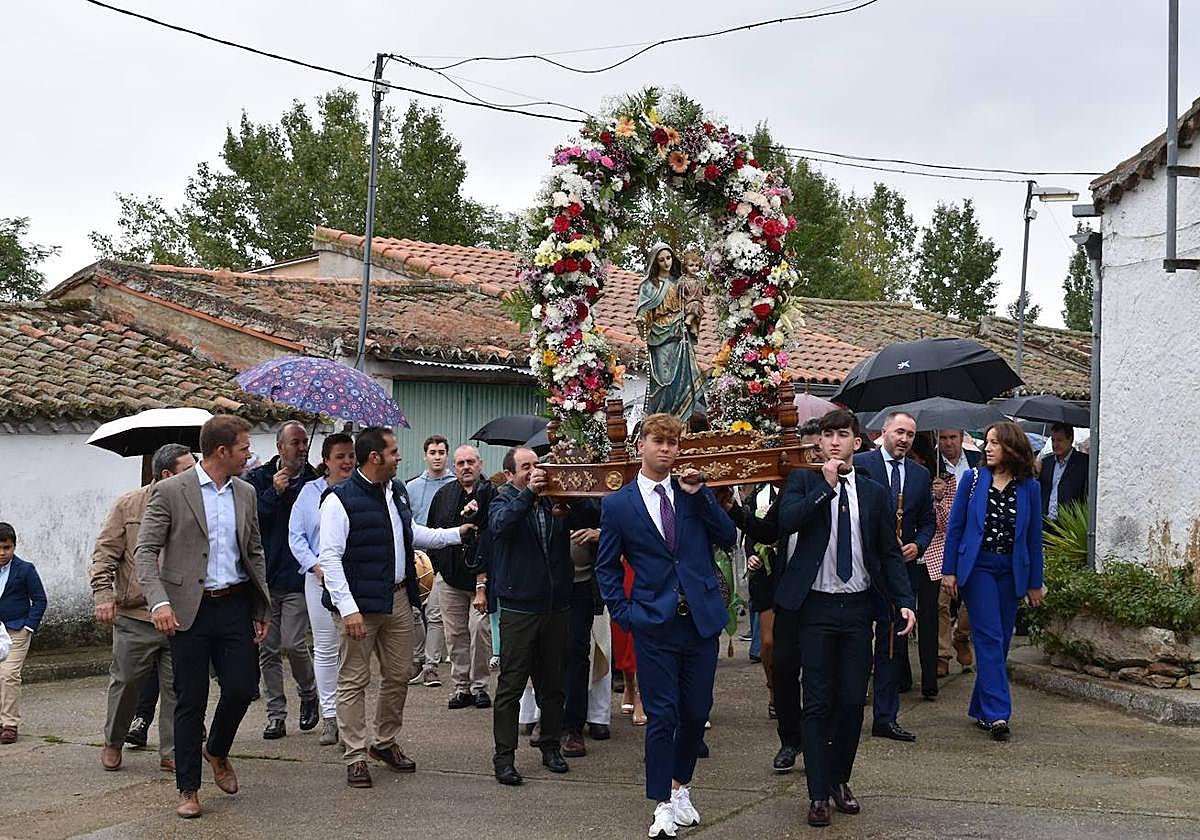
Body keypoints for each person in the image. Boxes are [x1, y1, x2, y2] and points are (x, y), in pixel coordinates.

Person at [772, 409, 916, 827]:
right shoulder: (803, 480)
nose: (835, 442)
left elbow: (888, 551)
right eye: (828, 435)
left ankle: (839, 779)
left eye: (843, 435)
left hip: (857, 608)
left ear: (858, 442)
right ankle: (817, 793)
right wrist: (826, 488)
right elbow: (788, 521)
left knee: (853, 700)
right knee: (816, 702)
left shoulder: (872, 492)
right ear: (819, 443)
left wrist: (904, 599)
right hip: (814, 607)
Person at [595, 414, 736, 838]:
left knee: (696, 712)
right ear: (641, 444)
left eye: (673, 443)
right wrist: (625, 614)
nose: (667, 449)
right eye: (659, 441)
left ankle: (681, 787)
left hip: (700, 622)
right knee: (662, 716)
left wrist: (705, 496)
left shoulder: (692, 493)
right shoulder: (618, 504)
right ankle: (661, 802)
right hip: (654, 624)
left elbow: (728, 536)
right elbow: (606, 568)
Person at [134, 415, 271, 819]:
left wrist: (262, 606)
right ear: (221, 451)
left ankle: (217, 749)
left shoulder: (245, 492)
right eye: (244, 448)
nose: (249, 454)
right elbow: (145, 552)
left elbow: (255, 550)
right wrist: (158, 603)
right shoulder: (171, 491)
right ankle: (188, 788)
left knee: (243, 687)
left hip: (233, 605)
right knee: (189, 700)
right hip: (186, 610)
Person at [317, 426, 468, 789]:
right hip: (359, 607)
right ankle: (355, 754)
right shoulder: (339, 499)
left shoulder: (396, 491)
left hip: (398, 598)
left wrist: (456, 534)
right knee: (354, 680)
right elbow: (330, 558)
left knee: (398, 674)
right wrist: (348, 608)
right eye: (394, 451)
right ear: (375, 458)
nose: (400, 457)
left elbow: (410, 532)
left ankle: (384, 743)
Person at [488, 447, 598, 786]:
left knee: (554, 685)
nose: (534, 472)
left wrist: (572, 497)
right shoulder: (501, 499)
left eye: (537, 466)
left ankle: (551, 746)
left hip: (556, 605)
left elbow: (593, 517)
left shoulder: (554, 499)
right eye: (525, 467)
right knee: (511, 686)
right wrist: (527, 495)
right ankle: (504, 758)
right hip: (520, 607)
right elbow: (500, 527)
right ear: (510, 474)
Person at [90, 443, 195, 773]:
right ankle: (113, 740)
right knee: (126, 683)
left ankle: (172, 750)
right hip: (136, 613)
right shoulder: (129, 505)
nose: (196, 476)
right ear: (166, 475)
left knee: (178, 686)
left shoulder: (196, 506)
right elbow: (105, 554)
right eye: (187, 471)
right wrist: (103, 595)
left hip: (180, 612)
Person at [942, 421, 1045, 741]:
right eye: (986, 442)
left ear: (1012, 448)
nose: (987, 448)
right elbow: (955, 528)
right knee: (987, 638)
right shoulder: (972, 480)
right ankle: (999, 713)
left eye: (994, 443)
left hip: (1012, 571)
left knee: (999, 642)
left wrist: (1035, 582)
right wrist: (949, 570)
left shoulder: (1030, 487)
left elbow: (1032, 539)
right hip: (979, 569)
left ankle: (981, 708)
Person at [853, 411, 933, 740]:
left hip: (899, 574)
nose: (904, 439)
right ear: (883, 431)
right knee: (857, 646)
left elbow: (928, 520)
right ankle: (849, 712)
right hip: (862, 569)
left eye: (910, 435)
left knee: (892, 647)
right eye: (899, 432)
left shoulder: (919, 474)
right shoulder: (861, 464)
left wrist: (918, 544)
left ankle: (886, 718)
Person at [245, 422, 319, 740]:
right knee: (268, 649)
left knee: (293, 643)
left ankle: (309, 692)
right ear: (279, 447)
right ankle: (276, 715)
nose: (301, 448)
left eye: (304, 442)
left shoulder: (315, 481)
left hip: (298, 578)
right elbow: (251, 520)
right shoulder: (258, 480)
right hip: (265, 579)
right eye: (294, 443)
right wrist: (273, 493)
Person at [287, 432, 356, 747]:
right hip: (318, 581)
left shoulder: (362, 491)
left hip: (353, 580)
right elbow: (296, 536)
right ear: (326, 461)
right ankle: (330, 716)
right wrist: (315, 566)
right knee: (326, 648)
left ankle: (351, 717)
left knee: (353, 651)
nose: (346, 462)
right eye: (339, 456)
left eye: (351, 456)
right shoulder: (309, 493)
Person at [426, 444, 495, 710]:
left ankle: (480, 687)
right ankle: (461, 687)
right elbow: (433, 533)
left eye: (470, 462)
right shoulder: (443, 495)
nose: (466, 467)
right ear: (454, 468)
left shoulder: (491, 494)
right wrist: (436, 568)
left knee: (479, 632)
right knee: (454, 635)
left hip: (482, 578)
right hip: (450, 577)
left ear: (480, 464)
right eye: (460, 463)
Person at [635, 243, 706, 422]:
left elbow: (694, 298)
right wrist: (642, 319)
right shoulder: (648, 285)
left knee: (682, 378)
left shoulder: (679, 281)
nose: (666, 263)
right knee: (663, 381)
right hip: (659, 336)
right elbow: (644, 309)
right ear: (655, 263)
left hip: (678, 332)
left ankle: (682, 420)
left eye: (668, 258)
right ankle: (660, 418)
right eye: (661, 260)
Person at [406, 434, 456, 688]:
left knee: (435, 613)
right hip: (417, 558)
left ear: (447, 455)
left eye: (441, 452)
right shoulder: (411, 487)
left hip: (445, 555)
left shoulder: (456, 484)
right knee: (414, 612)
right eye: (432, 452)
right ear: (425, 455)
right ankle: (416, 659)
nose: (437, 457)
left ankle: (430, 666)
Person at [0, 522, 48, 746]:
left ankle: (9, 724)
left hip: (16, 629)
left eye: (6, 548)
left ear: (14, 547)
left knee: (9, 674)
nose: (2, 553)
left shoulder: (25, 569)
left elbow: (40, 599)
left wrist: (29, 626)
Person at [1040, 423, 1089, 523]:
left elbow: (1086, 494)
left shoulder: (1084, 463)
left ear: (1070, 439)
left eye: (1059, 440)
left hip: (1070, 525)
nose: (1055, 445)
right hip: (1046, 522)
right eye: (1053, 440)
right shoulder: (1046, 463)